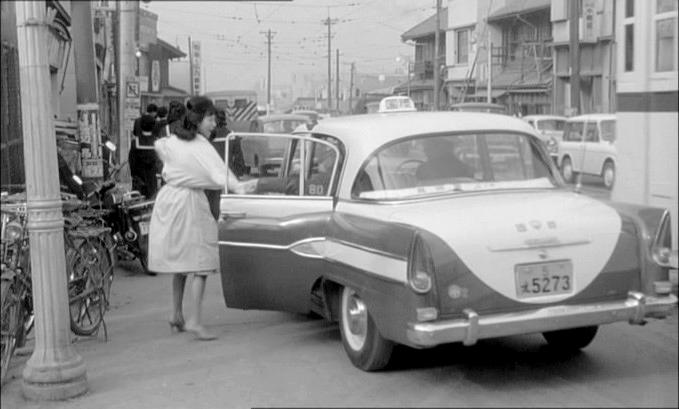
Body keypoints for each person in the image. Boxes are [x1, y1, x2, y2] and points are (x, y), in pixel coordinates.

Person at [148, 96, 257, 341]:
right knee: (202, 262)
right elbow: (220, 174)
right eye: (209, 118)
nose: (213, 124)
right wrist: (240, 187)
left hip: (168, 200)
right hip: (189, 202)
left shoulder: (173, 141)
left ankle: (176, 314)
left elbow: (161, 148)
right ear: (197, 119)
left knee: (181, 264)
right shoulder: (199, 145)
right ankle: (195, 321)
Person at [128, 114, 159, 199]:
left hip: (139, 179)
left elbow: (132, 162)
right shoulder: (157, 143)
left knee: (137, 202)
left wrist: (134, 176)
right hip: (152, 179)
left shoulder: (135, 142)